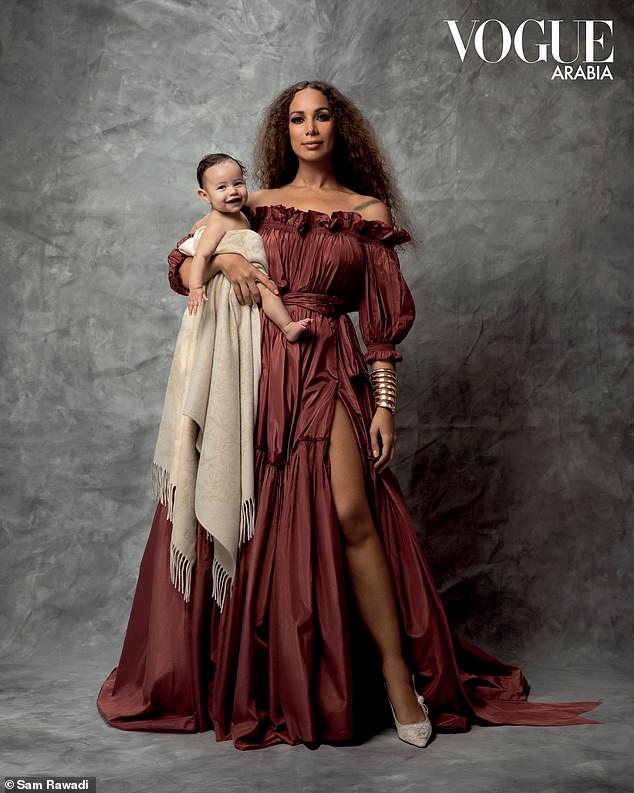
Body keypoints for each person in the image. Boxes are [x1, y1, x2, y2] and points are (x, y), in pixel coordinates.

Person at [97, 80, 601, 750]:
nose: (310, 128)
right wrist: (225, 260)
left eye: (322, 115)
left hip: (330, 360)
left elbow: (383, 323)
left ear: (340, 126)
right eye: (296, 118)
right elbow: (181, 265)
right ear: (283, 132)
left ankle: (397, 676)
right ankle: (266, 682)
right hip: (256, 370)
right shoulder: (256, 204)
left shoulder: (366, 210)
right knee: (255, 518)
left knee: (352, 510)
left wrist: (385, 406)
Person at [184, 152, 312, 344]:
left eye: (238, 184)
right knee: (267, 290)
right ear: (205, 196)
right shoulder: (217, 222)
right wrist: (195, 287)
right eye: (222, 187)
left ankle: (287, 326)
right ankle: (287, 326)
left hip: (248, 275)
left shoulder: (242, 215)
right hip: (231, 283)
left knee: (267, 290)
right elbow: (202, 255)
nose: (232, 192)